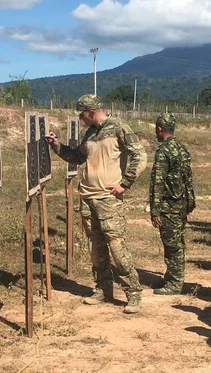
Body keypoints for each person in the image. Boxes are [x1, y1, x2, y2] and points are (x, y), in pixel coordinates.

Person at [46, 94, 147, 314]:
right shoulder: (90, 133)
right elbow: (77, 157)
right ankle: (103, 290)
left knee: (116, 246)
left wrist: (125, 183)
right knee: (95, 247)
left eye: (82, 114)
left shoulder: (119, 127)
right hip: (88, 198)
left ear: (91, 112)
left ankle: (133, 294)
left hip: (108, 199)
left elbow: (140, 155)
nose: (81, 119)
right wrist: (56, 146)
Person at [149, 113, 196, 295]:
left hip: (169, 206)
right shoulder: (182, 149)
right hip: (181, 204)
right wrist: (190, 204)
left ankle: (175, 283)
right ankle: (173, 277)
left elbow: (157, 183)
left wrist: (155, 211)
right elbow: (188, 180)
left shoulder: (163, 152)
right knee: (177, 242)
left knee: (172, 245)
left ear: (159, 130)